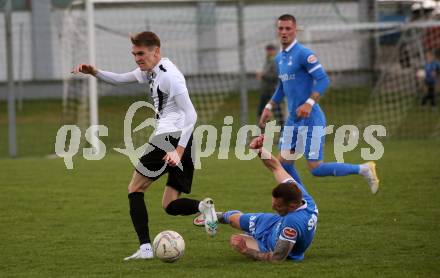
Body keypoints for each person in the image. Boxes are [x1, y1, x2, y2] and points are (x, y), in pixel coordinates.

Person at [72, 31, 218, 260]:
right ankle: (204, 208)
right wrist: (95, 72)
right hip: (184, 139)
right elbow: (121, 79)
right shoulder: (151, 71)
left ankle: (146, 249)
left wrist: (178, 151)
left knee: (135, 189)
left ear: (156, 51)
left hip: (169, 139)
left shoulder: (170, 76)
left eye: (141, 53)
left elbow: (192, 114)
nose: (137, 58)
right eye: (134, 54)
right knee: (170, 205)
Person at [259, 14, 379, 194]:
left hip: (311, 118)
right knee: (283, 163)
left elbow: (323, 80)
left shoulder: (304, 54)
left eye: (288, 28)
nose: (284, 32)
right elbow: (282, 87)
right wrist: (269, 106)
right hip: (293, 120)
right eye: (281, 28)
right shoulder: (279, 58)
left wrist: (308, 103)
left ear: (295, 29)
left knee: (315, 168)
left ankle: (363, 169)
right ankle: (302, 199)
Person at [196, 135, 318, 262]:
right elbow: (276, 167)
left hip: (270, 245)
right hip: (274, 224)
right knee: (233, 219)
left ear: (292, 206)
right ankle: (212, 216)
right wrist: (259, 150)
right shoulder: (301, 196)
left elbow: (277, 258)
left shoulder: (292, 224)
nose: (273, 207)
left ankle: (251, 237)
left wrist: (245, 250)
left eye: (278, 206)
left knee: (236, 240)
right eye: (274, 202)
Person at [256, 44, 284, 128]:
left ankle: (283, 128)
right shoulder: (268, 61)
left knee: (276, 111)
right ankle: (265, 128)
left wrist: (263, 75)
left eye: (271, 50)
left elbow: (276, 76)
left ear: (274, 51)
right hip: (265, 90)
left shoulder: (275, 61)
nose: (269, 52)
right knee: (262, 110)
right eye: (268, 50)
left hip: (272, 90)